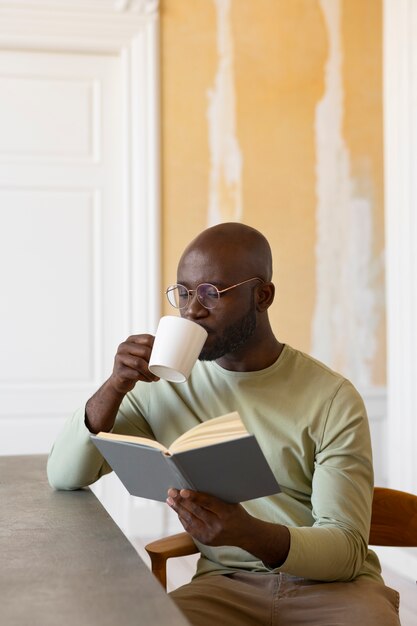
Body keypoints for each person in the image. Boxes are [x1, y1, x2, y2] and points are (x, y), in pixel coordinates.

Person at [47, 222, 400, 626]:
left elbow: (346, 549)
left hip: (333, 591)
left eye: (212, 293)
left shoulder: (332, 397)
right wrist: (114, 386)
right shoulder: (160, 386)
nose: (192, 310)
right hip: (225, 585)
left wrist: (248, 533)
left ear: (262, 296)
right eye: (183, 292)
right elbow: (63, 476)